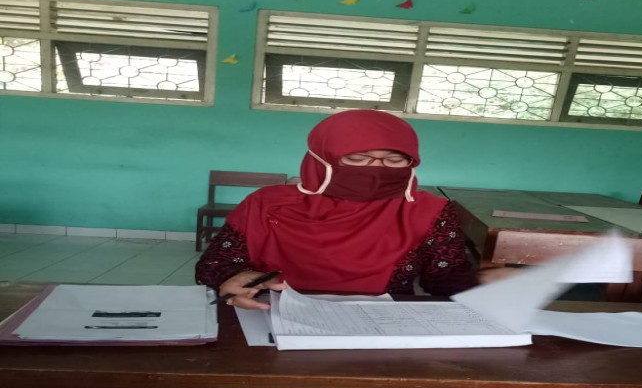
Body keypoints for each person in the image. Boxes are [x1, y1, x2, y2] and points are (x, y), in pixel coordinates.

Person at [195, 109, 479, 310]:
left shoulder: (428, 211)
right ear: (320, 159)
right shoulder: (266, 203)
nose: (376, 170)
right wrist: (235, 278)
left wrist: (486, 281)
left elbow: (442, 278)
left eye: (394, 160)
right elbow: (212, 267)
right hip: (272, 314)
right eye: (357, 158)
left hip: (382, 321)